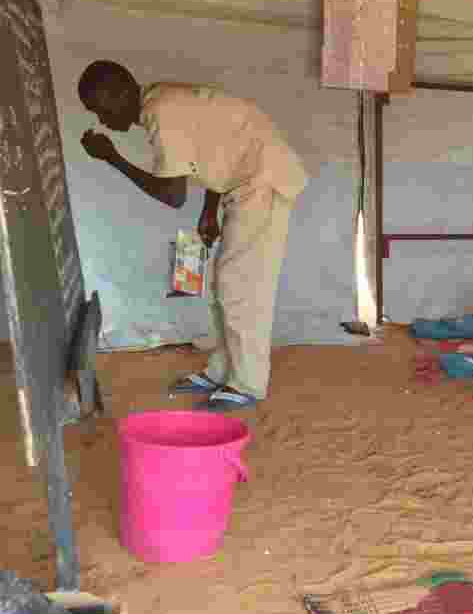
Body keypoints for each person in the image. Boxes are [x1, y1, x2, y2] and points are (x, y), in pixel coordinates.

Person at [77, 60, 308, 411]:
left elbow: (172, 195)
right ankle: (222, 370)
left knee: (241, 286)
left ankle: (247, 383)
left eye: (99, 107)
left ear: (119, 91)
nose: (102, 120)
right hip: (246, 181)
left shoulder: (162, 111)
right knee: (224, 284)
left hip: (263, 181)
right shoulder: (161, 100)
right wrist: (208, 210)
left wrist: (113, 158)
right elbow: (216, 149)